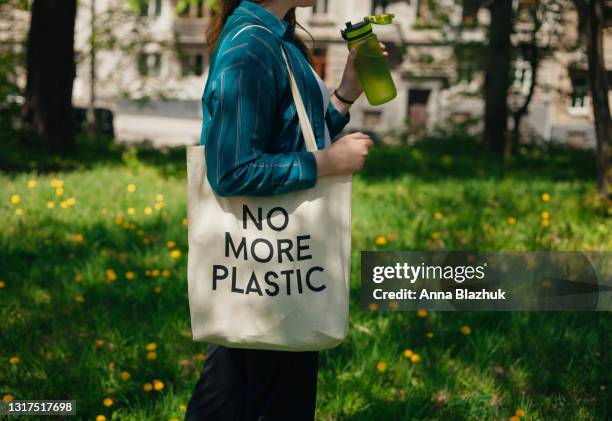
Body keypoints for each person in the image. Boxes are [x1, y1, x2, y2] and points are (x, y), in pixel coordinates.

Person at [185, 1, 383, 419]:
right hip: (271, 265)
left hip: (272, 262)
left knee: (236, 386)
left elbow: (292, 138)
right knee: (254, 393)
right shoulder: (252, 48)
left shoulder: (276, 38)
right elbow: (232, 170)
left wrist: (345, 95)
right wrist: (329, 163)